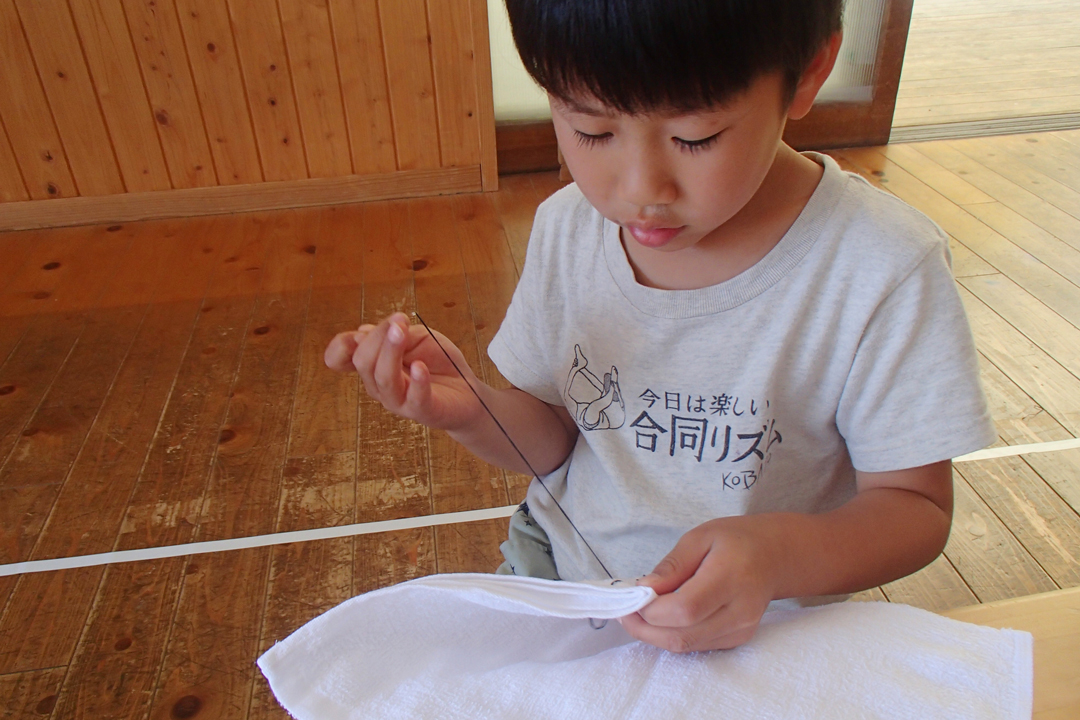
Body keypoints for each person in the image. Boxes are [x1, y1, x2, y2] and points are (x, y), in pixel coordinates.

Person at [325, 0, 995, 653]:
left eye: (694, 137)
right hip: (562, 573)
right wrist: (474, 411)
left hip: (763, 613)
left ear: (811, 71)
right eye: (592, 130)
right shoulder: (567, 229)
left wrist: (776, 554)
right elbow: (555, 442)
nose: (642, 186)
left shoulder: (880, 265)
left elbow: (915, 508)